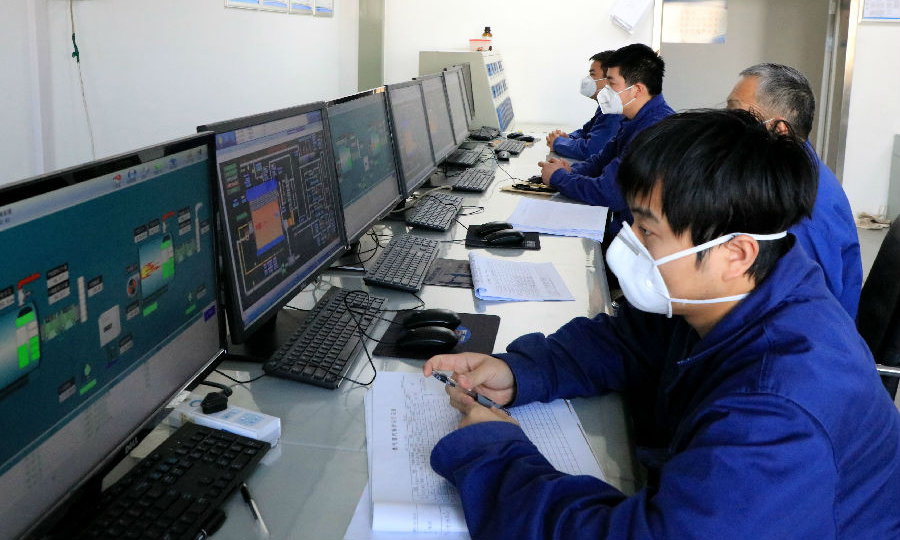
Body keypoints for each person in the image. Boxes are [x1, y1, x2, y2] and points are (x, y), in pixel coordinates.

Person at [423, 109, 900, 540]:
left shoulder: (777, 413)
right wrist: (523, 372)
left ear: (735, 253)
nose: (628, 243)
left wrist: (493, 453)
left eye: (647, 230)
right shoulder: (741, 291)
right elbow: (632, 341)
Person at [726, 63, 862, 319]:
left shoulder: (804, 209)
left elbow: (809, 311)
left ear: (779, 130)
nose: (725, 122)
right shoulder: (779, 173)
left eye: (736, 113)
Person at [537, 43, 674, 244]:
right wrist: (570, 170)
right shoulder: (635, 119)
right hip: (624, 227)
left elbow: (609, 192)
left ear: (637, 89)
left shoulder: (654, 130)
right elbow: (601, 161)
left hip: (640, 242)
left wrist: (559, 178)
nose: (604, 90)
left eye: (611, 83)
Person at [545, 51, 623, 161]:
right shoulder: (606, 106)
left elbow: (591, 150)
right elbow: (585, 132)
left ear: (609, 80)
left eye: (592, 75)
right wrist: (566, 138)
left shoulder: (615, 112)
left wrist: (557, 142)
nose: (587, 80)